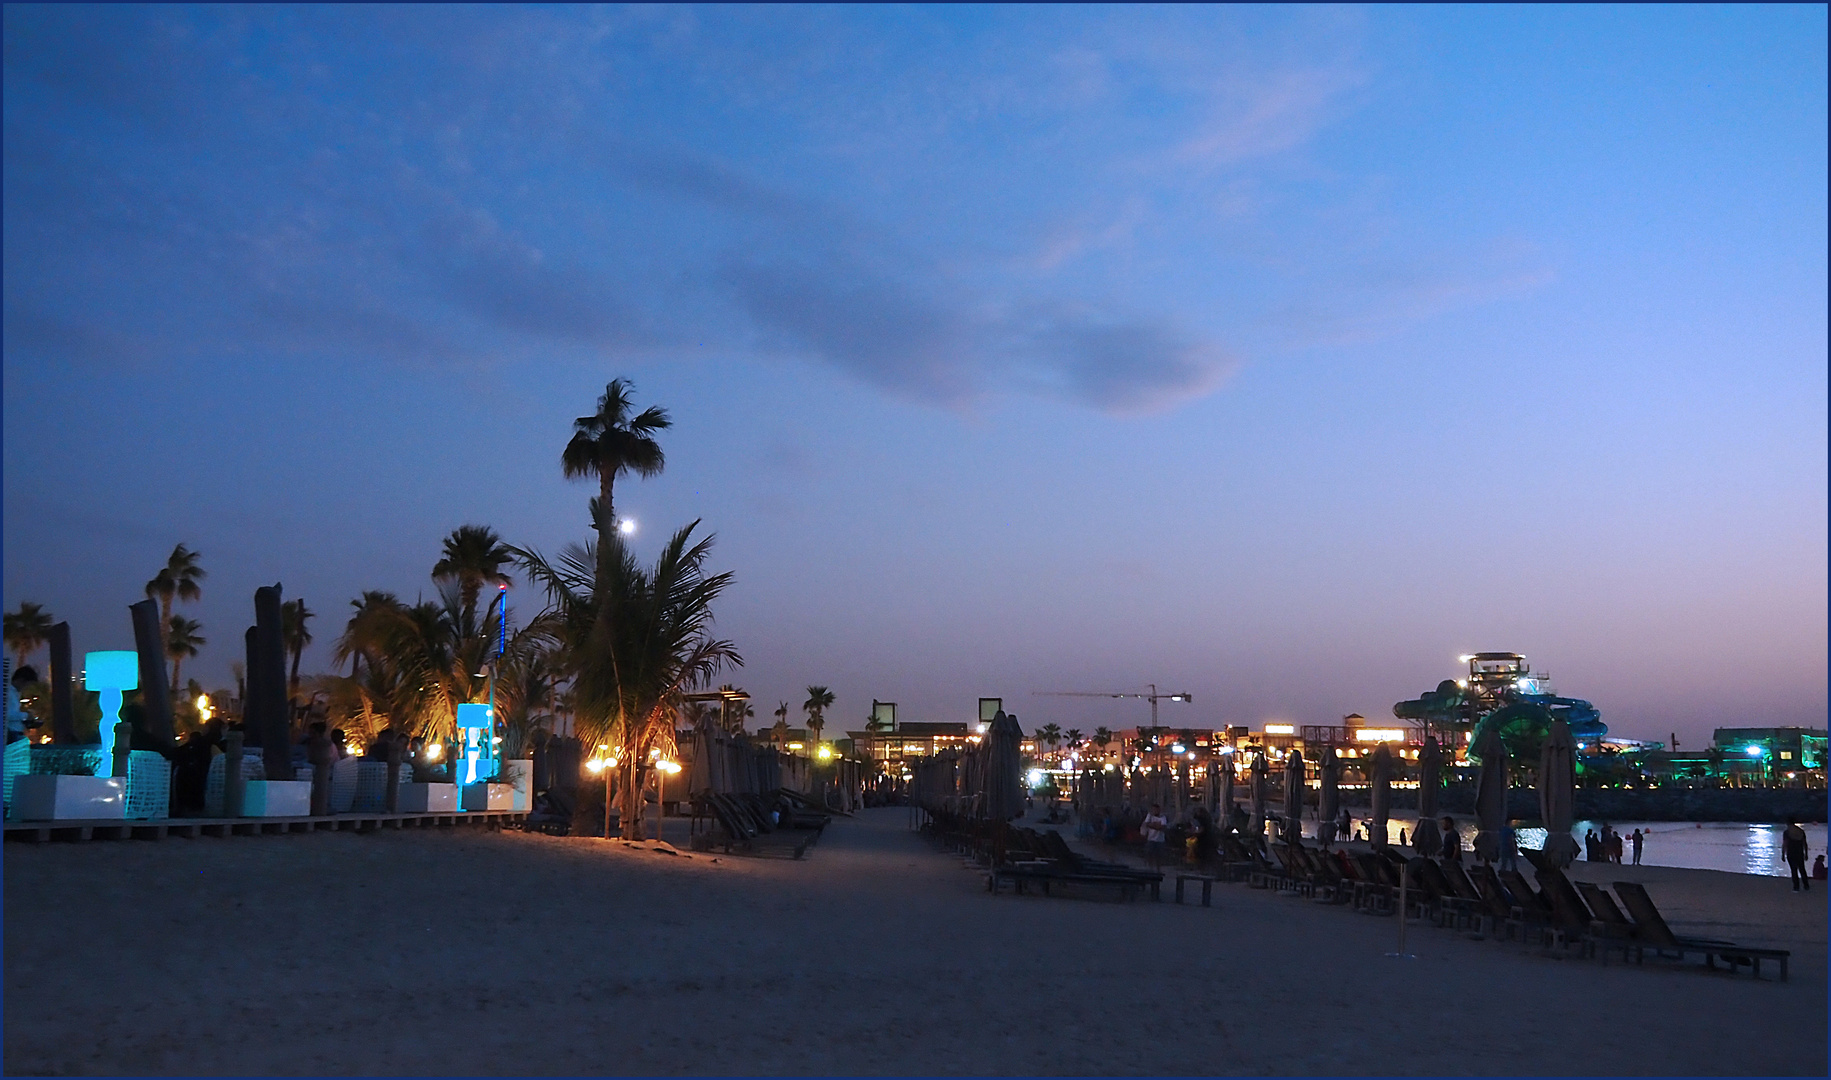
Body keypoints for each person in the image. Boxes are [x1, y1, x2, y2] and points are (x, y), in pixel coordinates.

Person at [1781, 818, 1809, 892]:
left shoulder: (1787, 833)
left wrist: (1783, 854)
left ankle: (1796, 887)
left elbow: (1785, 844)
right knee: (1802, 869)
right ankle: (1806, 885)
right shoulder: (1801, 831)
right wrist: (1806, 853)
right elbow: (1805, 844)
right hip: (1800, 852)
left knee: (1794, 870)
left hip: (1791, 853)